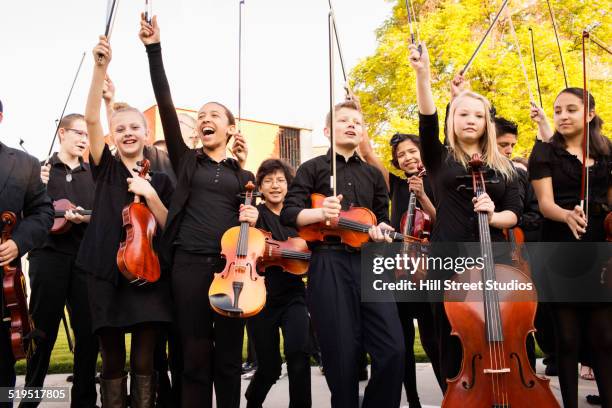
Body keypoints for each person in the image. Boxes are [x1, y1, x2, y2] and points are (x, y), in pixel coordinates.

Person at [139, 15, 258, 408]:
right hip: (188, 265)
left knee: (227, 358)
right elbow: (168, 107)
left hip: (231, 270)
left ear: (229, 128)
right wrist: (154, 49)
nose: (205, 119)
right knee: (193, 358)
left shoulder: (245, 175)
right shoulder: (187, 161)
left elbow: (253, 228)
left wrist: (252, 213)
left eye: (214, 116)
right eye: (202, 116)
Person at [280, 99, 405, 408]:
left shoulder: (374, 175)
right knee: (341, 353)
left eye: (357, 122)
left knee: (394, 348)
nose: (352, 124)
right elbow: (289, 213)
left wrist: (383, 230)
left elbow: (381, 216)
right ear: (327, 130)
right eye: (343, 120)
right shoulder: (312, 168)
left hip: (370, 261)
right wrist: (319, 212)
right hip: (329, 260)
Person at [410, 42, 521, 387]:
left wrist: (493, 213)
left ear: (487, 123)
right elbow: (427, 118)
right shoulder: (439, 158)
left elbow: (514, 214)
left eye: (477, 115)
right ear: (451, 120)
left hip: (496, 262)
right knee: (452, 341)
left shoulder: (505, 168)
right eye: (462, 114)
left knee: (504, 336)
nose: (470, 120)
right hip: (449, 261)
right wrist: (423, 74)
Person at [78, 36, 175, 408]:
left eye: (134, 127)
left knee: (144, 359)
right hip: (104, 270)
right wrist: (99, 67)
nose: (128, 133)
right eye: (120, 130)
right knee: (113, 359)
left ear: (146, 133)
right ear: (113, 138)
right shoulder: (105, 168)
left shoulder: (162, 179)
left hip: (149, 273)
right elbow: (90, 118)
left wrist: (150, 194)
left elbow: (168, 225)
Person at [529, 87, 612, 408]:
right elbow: (546, 204)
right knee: (567, 339)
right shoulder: (545, 153)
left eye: (571, 110)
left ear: (589, 114)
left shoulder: (607, 154)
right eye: (558, 110)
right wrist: (567, 215)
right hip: (560, 248)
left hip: (599, 250)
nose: (562, 116)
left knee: (605, 338)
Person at [19, 114, 99, 408]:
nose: (83, 139)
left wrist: (85, 218)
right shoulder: (38, 170)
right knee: (39, 334)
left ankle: (84, 402)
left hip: (83, 262)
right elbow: (21, 217)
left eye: (86, 135)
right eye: (78, 133)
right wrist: (32, 189)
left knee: (88, 334)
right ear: (62, 133)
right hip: (48, 259)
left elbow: (103, 217)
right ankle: (29, 400)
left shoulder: (95, 174)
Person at [359, 131, 442, 406]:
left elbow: (443, 221)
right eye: (400, 155)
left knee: (433, 340)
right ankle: (413, 400)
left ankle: (451, 395)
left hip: (429, 270)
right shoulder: (395, 185)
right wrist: (358, 121)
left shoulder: (439, 180)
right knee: (403, 340)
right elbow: (368, 153)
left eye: (411, 151)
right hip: (400, 271)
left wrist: (422, 195)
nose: (406, 158)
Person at [0, 98, 54, 407]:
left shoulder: (24, 164)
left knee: (2, 376)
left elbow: (42, 212)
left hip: (3, 287)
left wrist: (18, 242)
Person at [244, 159, 312, 408]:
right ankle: (253, 401)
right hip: (261, 298)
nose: (275, 185)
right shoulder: (256, 215)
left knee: (299, 354)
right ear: (260, 186)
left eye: (281, 180)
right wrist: (247, 224)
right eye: (268, 180)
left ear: (288, 185)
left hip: (294, 295)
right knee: (270, 367)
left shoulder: (298, 218)